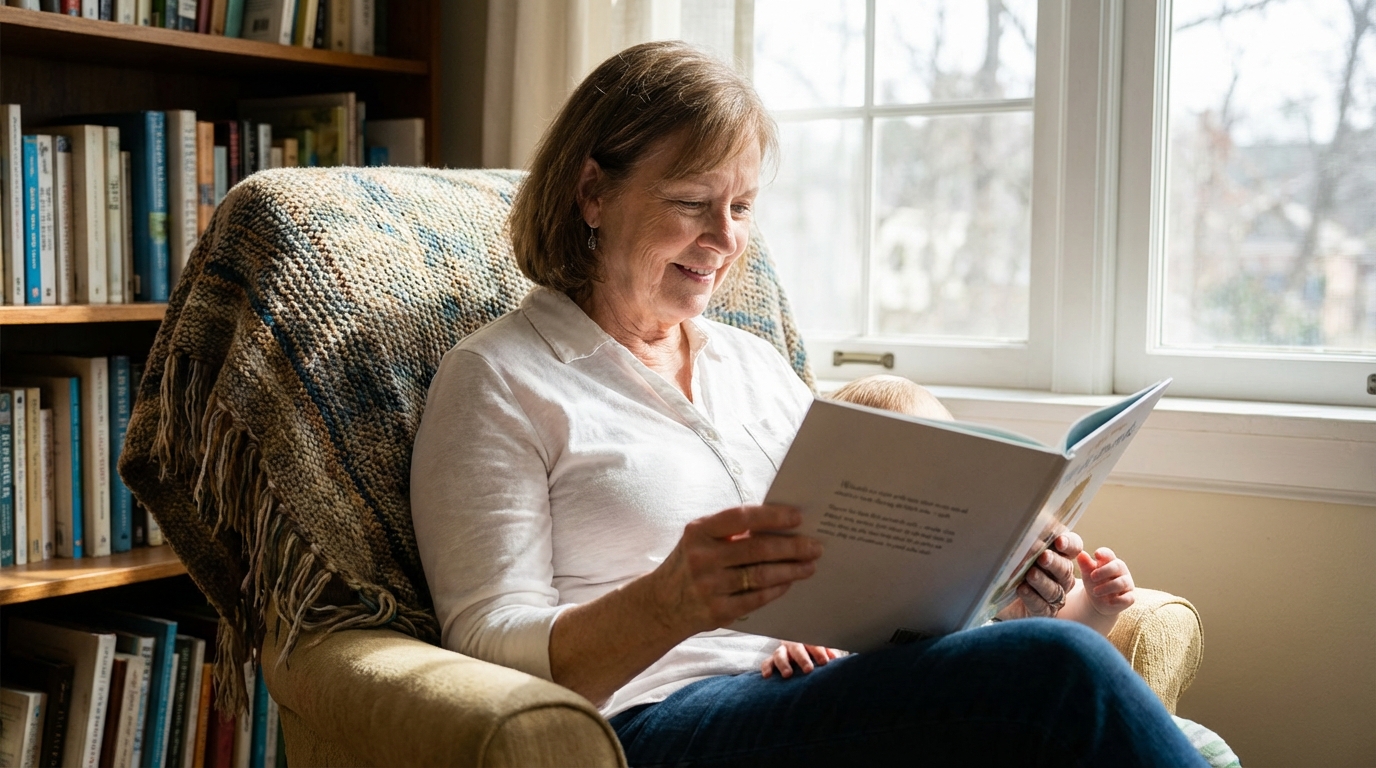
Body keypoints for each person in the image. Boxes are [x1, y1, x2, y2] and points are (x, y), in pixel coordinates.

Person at [410, 40, 1206, 766]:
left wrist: (1001, 579)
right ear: (592, 192)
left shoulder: (753, 367)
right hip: (650, 722)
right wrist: (666, 604)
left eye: (743, 206)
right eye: (693, 202)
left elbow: (863, 573)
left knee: (1053, 665)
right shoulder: (500, 379)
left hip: (808, 692)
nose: (726, 240)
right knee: (1060, 671)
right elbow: (484, 651)